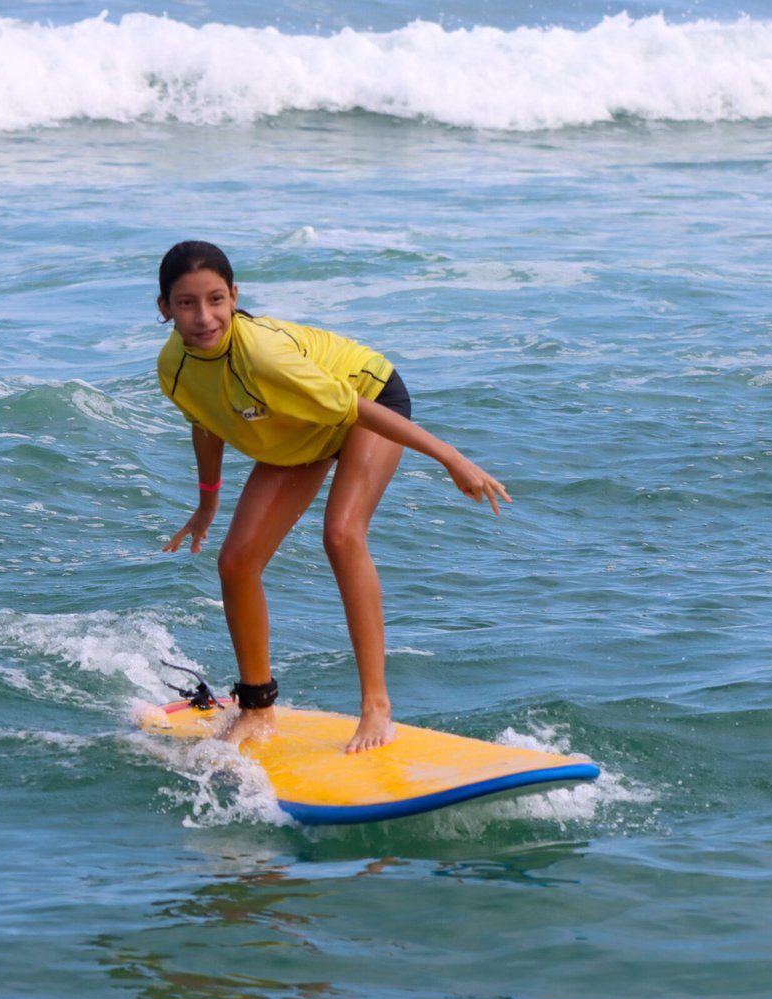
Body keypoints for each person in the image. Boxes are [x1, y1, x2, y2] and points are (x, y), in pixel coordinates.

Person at [156, 240, 510, 754]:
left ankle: (377, 707)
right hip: (298, 428)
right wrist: (208, 503)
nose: (204, 317)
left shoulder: (264, 357)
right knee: (236, 562)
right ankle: (257, 706)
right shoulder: (175, 368)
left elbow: (357, 410)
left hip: (370, 399)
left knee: (342, 534)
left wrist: (451, 458)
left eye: (215, 299)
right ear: (165, 307)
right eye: (186, 303)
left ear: (234, 296)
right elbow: (207, 424)